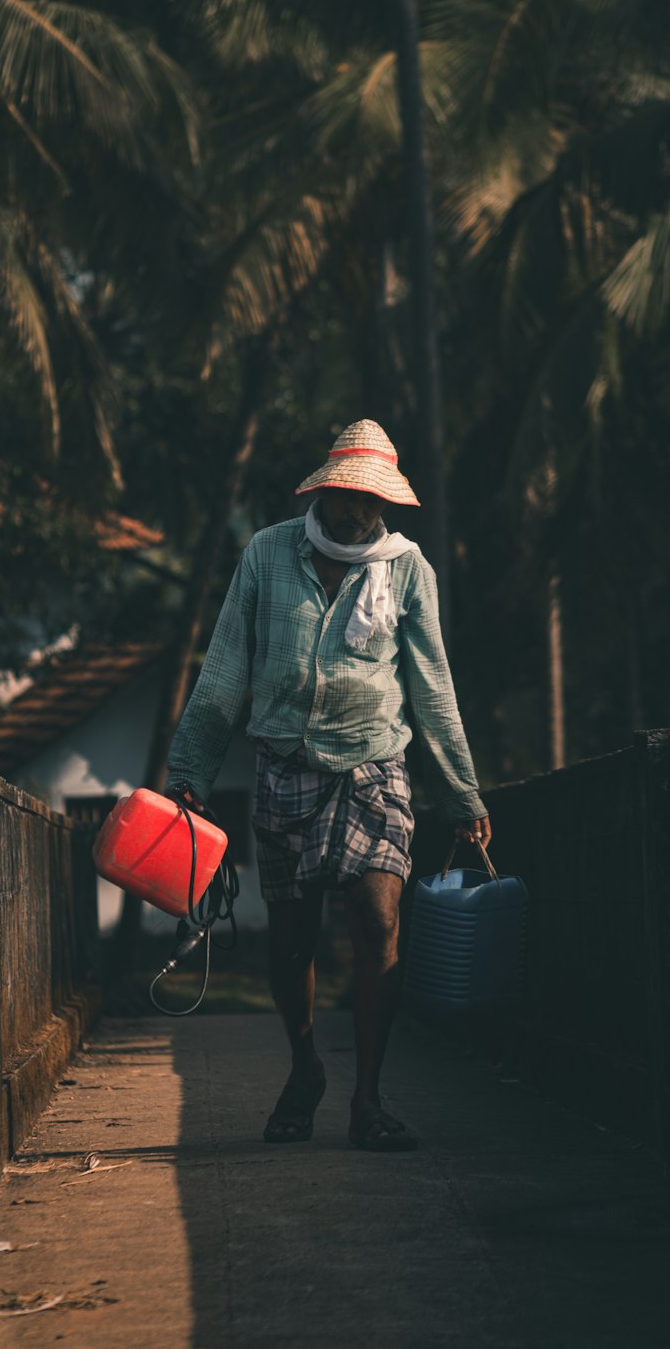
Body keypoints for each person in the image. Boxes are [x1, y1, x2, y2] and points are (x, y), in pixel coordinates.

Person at [166, 419, 491, 1151]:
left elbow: (432, 689)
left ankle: (367, 1099)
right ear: (326, 489)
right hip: (284, 765)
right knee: (291, 943)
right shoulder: (269, 553)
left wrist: (463, 795)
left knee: (379, 921)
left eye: (368, 502)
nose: (353, 513)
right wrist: (188, 772)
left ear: (386, 507)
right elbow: (226, 669)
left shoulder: (407, 569)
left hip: (376, 765)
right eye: (344, 495)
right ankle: (305, 1066)